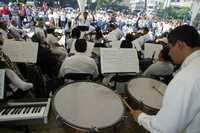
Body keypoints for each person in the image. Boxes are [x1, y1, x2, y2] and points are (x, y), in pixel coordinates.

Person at [131, 25, 200, 133]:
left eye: (170, 47)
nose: (169, 53)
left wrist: (140, 117)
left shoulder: (186, 77)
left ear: (180, 45)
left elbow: (164, 128)